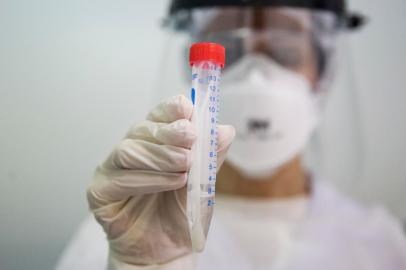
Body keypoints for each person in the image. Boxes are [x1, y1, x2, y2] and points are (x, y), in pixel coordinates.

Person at [56, 1, 406, 270]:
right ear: (194, 68)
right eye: (229, 52)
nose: (256, 77)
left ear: (323, 75)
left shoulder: (380, 245)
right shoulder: (123, 235)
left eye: (284, 53)